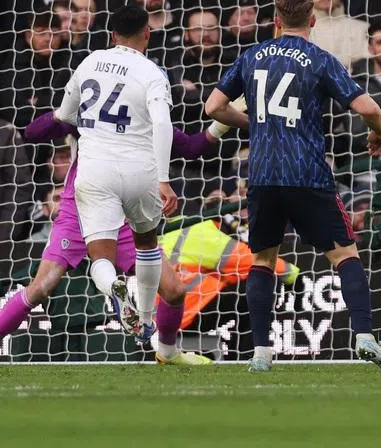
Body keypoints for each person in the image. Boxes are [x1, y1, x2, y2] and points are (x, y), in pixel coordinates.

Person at [204, 0, 381, 373]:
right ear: (312, 20)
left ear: (276, 21)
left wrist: (253, 123)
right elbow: (368, 106)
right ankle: (364, 337)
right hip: (307, 173)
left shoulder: (252, 55)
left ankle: (261, 353)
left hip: (261, 175)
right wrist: (380, 133)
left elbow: (214, 106)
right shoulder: (319, 58)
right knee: (345, 255)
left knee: (262, 260)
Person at [2, 109, 236, 364]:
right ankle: (129, 307)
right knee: (41, 288)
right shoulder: (101, 109)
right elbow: (194, 147)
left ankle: (162, 347)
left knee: (174, 290)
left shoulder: (144, 117)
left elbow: (190, 147)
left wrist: (224, 118)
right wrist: (64, 111)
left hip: (112, 212)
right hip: (89, 211)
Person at [50, 4, 192, 351]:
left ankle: (112, 284)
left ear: (112, 33)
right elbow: (161, 124)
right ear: (148, 32)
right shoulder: (152, 73)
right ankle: (145, 318)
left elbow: (65, 114)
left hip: (94, 168)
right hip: (138, 169)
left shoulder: (90, 61)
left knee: (100, 257)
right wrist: (163, 178)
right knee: (147, 245)